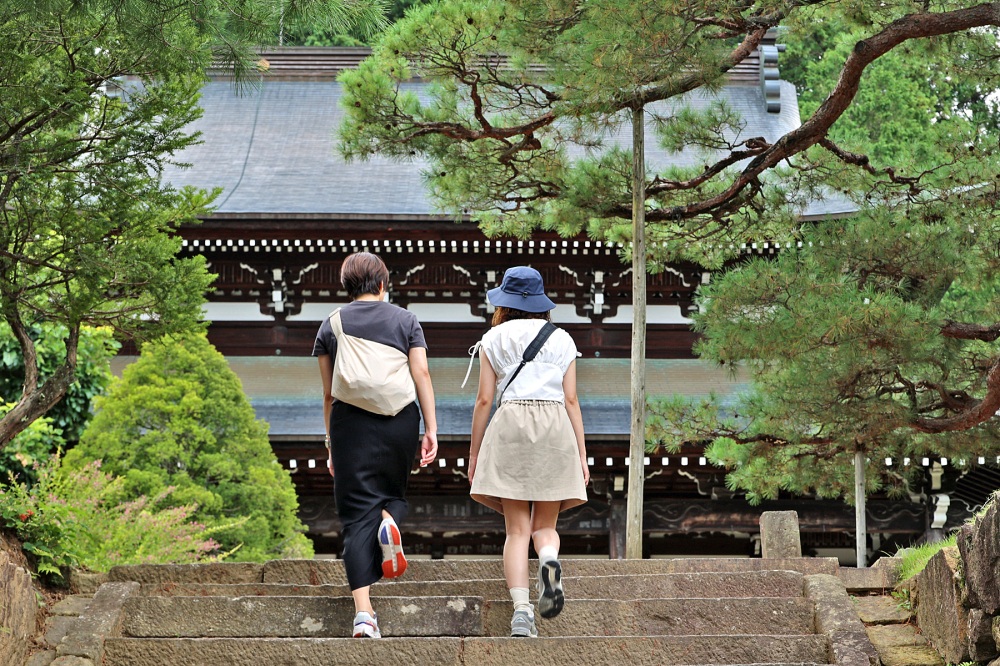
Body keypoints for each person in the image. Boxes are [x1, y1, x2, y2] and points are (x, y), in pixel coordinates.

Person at [313, 251, 438, 639]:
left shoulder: (330, 324)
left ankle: (365, 615)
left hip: (351, 424)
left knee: (354, 518)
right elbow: (421, 374)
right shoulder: (406, 320)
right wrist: (431, 429)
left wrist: (332, 445)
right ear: (382, 284)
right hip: (400, 419)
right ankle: (389, 522)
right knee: (393, 495)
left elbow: (328, 394)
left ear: (347, 286)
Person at [467, 266, 589, 638]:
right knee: (545, 527)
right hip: (555, 426)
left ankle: (522, 612)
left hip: (511, 426)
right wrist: (582, 456)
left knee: (517, 531)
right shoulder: (563, 339)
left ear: (505, 301)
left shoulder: (494, 338)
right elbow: (571, 399)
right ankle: (549, 560)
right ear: (541, 302)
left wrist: (474, 455)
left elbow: (485, 399)